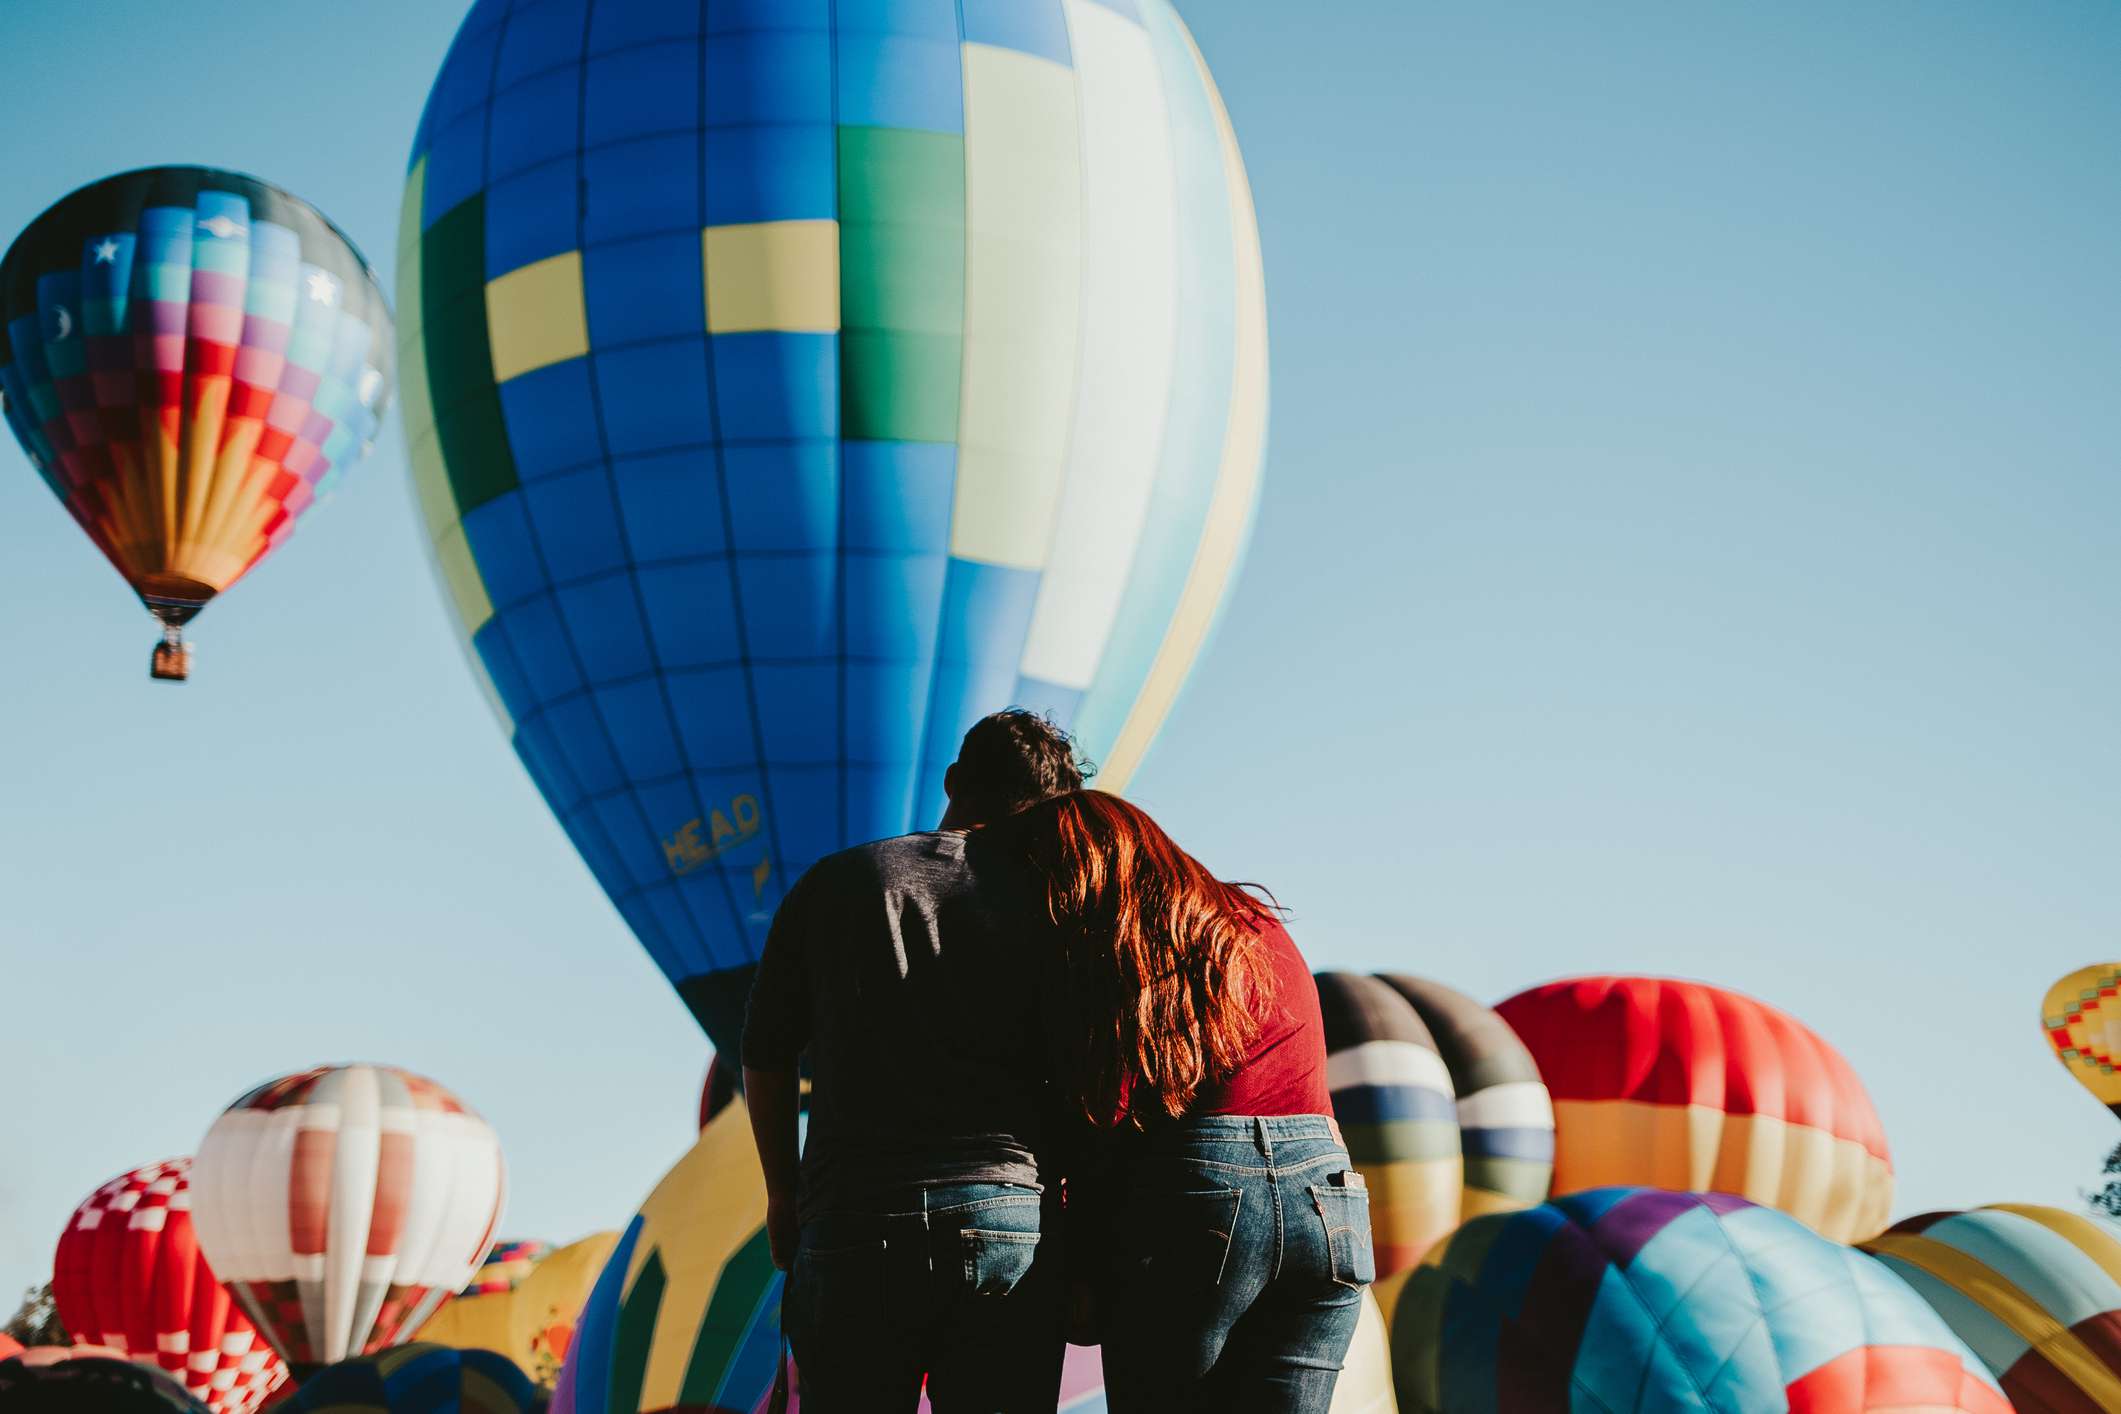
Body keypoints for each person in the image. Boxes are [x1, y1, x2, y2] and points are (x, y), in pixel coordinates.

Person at [741, 710, 1087, 1413]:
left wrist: (782, 1192)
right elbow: (1085, 1071)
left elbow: (764, 1052)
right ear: (1051, 812)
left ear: (954, 780)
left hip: (852, 1215)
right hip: (1006, 1214)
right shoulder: (1057, 902)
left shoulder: (837, 880)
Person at [998, 790, 1372, 1414]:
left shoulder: (1126, 943)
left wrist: (1080, 1265)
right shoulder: (1252, 918)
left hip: (1204, 1192)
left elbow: (1102, 1119)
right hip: (1330, 1197)